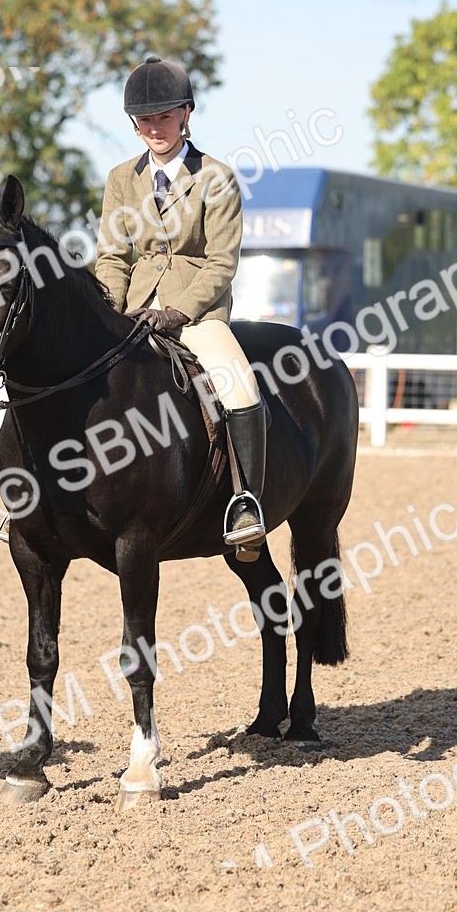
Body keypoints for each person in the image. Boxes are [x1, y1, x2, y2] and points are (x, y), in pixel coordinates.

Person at [93, 54, 267, 559]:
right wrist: (109, 310)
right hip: (132, 311)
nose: (154, 128)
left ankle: (245, 503)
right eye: (145, 120)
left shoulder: (217, 177)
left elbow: (220, 263)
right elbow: (112, 255)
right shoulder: (121, 179)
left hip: (197, 314)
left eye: (165, 117)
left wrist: (180, 312)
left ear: (186, 114)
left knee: (237, 383)